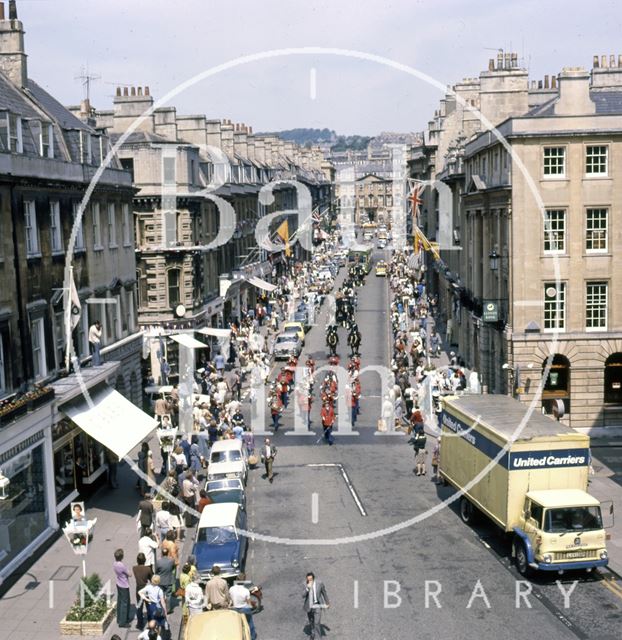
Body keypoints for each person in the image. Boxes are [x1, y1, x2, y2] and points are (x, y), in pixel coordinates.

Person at [229, 573, 257, 640]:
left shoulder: (231, 589)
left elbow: (231, 600)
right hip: (245, 609)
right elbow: (248, 603)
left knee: (236, 625)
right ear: (244, 581)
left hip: (235, 609)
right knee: (250, 623)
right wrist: (252, 606)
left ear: (236, 579)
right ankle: (252, 637)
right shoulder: (246, 591)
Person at [303, 572, 329, 640]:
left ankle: (318, 638)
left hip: (317, 605)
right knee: (311, 621)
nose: (310, 581)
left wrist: (327, 602)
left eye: (311, 579)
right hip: (309, 606)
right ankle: (313, 633)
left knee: (317, 622)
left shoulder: (319, 583)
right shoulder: (305, 584)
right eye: (308, 580)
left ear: (314, 579)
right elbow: (303, 595)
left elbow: (324, 593)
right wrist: (307, 589)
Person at [133, 553, 153, 631]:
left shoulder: (134, 568)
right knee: (148, 606)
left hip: (138, 588)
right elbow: (151, 578)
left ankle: (140, 624)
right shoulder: (147, 569)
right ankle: (150, 622)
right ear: (144, 560)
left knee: (139, 607)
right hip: (145, 588)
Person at [113, 549, 132, 628]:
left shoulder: (114, 564)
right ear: (122, 556)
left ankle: (119, 618)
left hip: (119, 584)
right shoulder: (121, 565)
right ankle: (123, 622)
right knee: (125, 603)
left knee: (120, 602)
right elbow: (130, 574)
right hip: (124, 585)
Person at [155, 547, 176, 612]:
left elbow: (156, 571)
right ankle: (168, 609)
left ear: (162, 553)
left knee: (161, 595)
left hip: (161, 581)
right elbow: (173, 568)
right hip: (169, 580)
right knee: (168, 595)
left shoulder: (158, 562)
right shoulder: (171, 561)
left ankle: (161, 608)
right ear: (168, 553)